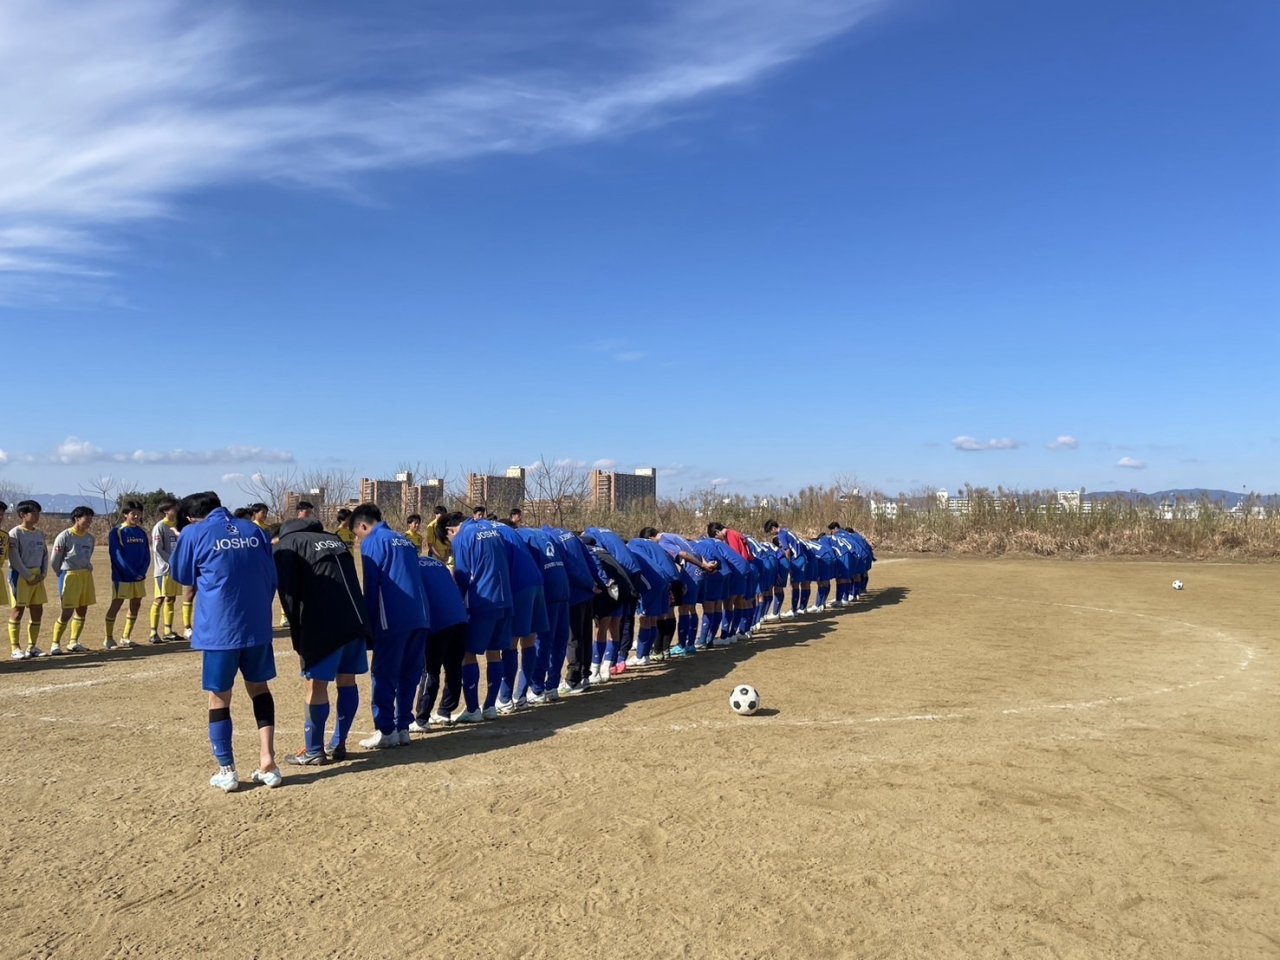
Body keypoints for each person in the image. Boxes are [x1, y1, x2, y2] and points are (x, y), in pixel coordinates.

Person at [170, 491, 281, 793]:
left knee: (219, 697)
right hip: (256, 624)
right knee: (260, 689)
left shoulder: (194, 532)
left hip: (220, 628)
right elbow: (271, 576)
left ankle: (226, 769)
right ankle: (268, 761)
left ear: (191, 517)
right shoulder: (254, 530)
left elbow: (181, 574)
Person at [274, 516, 372, 764]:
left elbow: (288, 594)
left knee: (316, 686)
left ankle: (314, 751)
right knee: (347, 680)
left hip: (322, 624)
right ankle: (338, 743)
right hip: (355, 619)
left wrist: (298, 633)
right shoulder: (334, 539)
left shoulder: (289, 544)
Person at [350, 503, 431, 748]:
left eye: (356, 534)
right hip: (420, 614)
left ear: (363, 526)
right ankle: (403, 727)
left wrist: (368, 623)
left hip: (392, 617)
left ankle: (386, 730)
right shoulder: (404, 540)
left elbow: (371, 584)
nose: (358, 539)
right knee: (409, 673)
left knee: (384, 673)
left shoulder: (374, 541)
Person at [447, 511, 513, 722]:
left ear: (451, 530)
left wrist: (456, 600)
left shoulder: (463, 537)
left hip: (481, 600)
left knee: (468, 653)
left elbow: (462, 575)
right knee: (495, 652)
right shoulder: (492, 530)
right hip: (504, 597)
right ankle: (491, 706)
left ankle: (473, 708)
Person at [492, 519, 548, 714]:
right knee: (529, 641)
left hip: (519, 588)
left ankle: (505, 698)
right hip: (536, 584)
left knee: (510, 643)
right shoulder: (517, 536)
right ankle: (521, 695)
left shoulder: (496, 535)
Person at [512, 524, 570, 703]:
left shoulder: (521, 538)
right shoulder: (544, 534)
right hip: (562, 587)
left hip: (547, 590)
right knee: (559, 640)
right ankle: (552, 686)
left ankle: (537, 688)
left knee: (542, 641)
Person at [411, 551, 469, 728]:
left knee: (430, 669)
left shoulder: (410, 566)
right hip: (460, 617)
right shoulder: (437, 563)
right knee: (454, 667)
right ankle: (445, 712)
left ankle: (421, 719)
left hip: (438, 621)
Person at [626, 529, 681, 666]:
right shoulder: (654, 545)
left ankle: (642, 655)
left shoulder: (632, 546)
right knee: (654, 617)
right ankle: (653, 652)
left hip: (652, 582)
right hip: (667, 579)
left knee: (645, 618)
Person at [49, 505, 96, 655]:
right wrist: (60, 573)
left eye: (90, 520)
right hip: (69, 576)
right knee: (67, 611)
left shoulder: (90, 538)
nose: (89, 523)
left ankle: (73, 642)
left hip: (85, 577)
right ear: (77, 518)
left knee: (82, 610)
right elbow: (55, 560)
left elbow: (88, 555)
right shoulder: (65, 536)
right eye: (86, 519)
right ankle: (55, 644)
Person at [105, 500, 152, 648]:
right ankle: (108, 638)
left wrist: (142, 572)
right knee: (117, 604)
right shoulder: (117, 532)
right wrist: (130, 572)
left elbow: (147, 555)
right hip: (122, 577)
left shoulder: (142, 532)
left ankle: (126, 637)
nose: (136, 516)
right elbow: (116, 556)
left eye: (139, 514)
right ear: (125, 514)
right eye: (133, 513)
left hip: (139, 577)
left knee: (136, 604)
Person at [7, 500, 48, 659]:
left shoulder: (39, 534)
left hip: (37, 576)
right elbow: (14, 558)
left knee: (37, 610)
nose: (37, 515)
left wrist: (43, 573)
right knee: (18, 610)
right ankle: (15, 648)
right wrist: (28, 576)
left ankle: (32, 647)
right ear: (22, 515)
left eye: (38, 512)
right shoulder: (15, 533)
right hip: (20, 576)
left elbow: (45, 554)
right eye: (34, 512)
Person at [149, 499, 182, 643]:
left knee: (171, 598)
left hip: (176, 569)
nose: (176, 510)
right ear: (165, 511)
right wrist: (170, 561)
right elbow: (157, 549)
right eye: (173, 508)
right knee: (160, 599)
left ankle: (168, 630)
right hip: (164, 569)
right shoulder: (160, 527)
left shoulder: (178, 525)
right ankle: (153, 632)